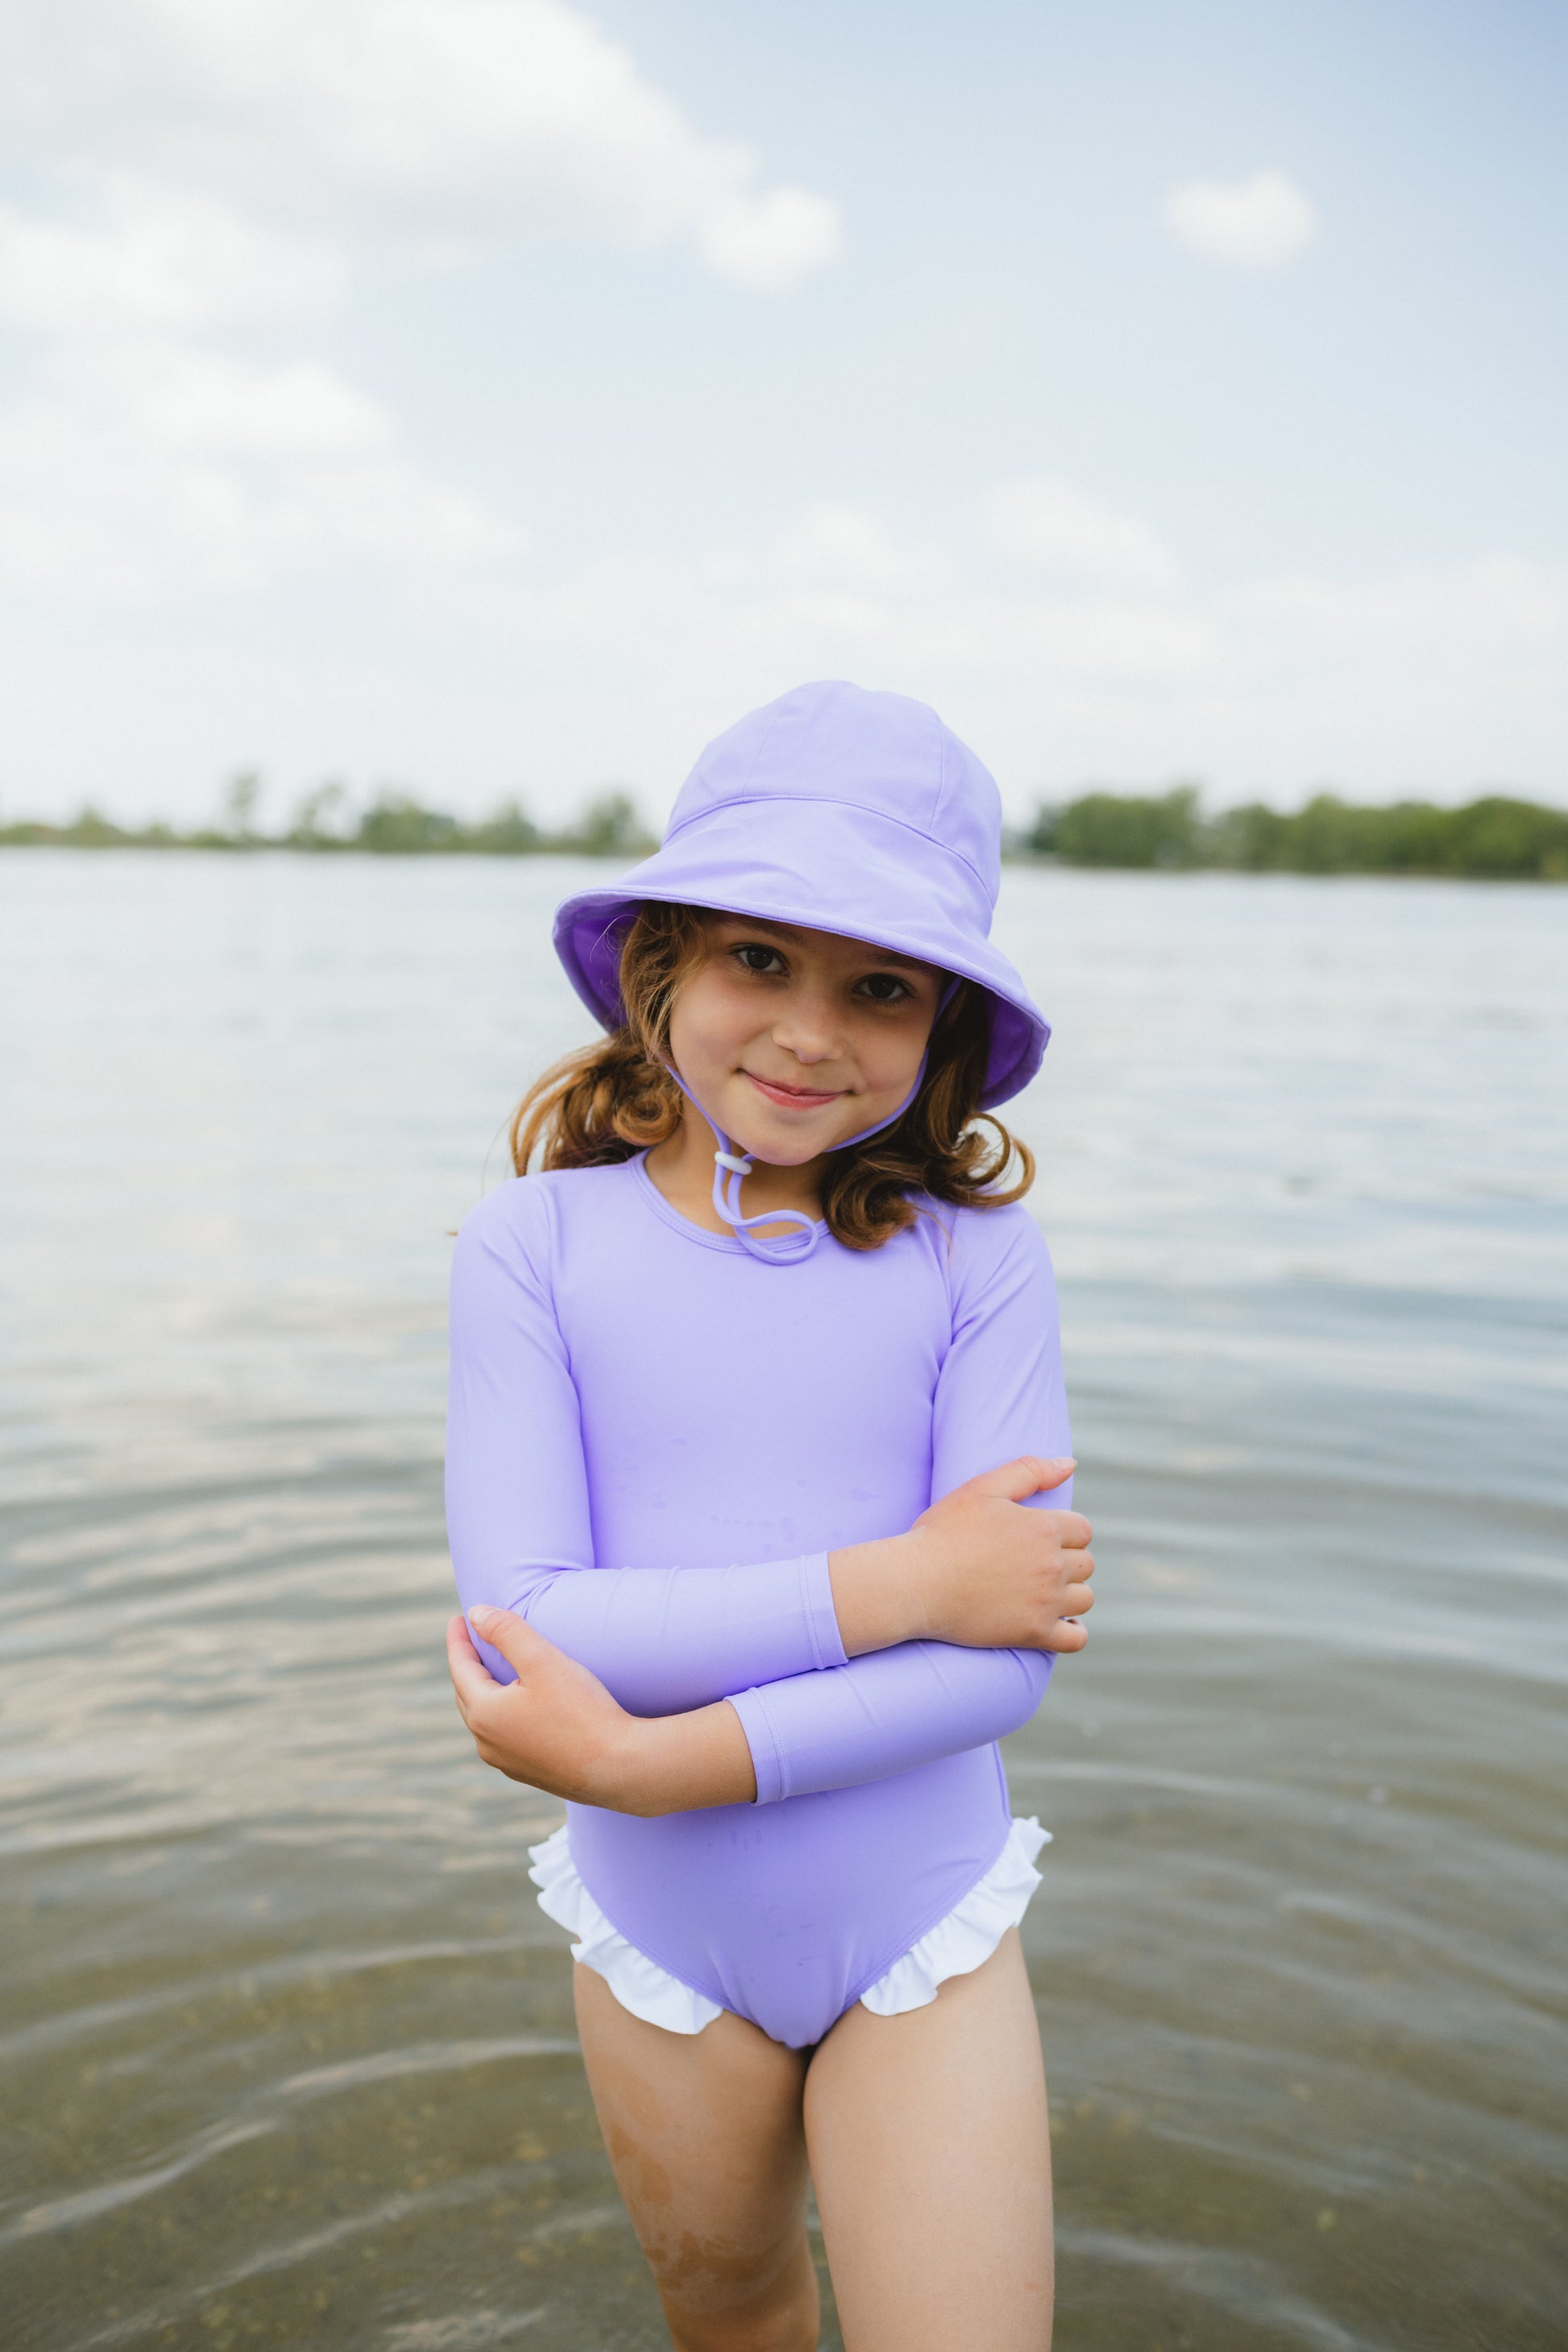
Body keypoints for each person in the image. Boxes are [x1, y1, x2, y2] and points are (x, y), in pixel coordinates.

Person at [444, 679, 1095, 2352]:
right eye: (759, 959)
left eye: (877, 986)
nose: (809, 1028)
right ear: (661, 963)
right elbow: (534, 1623)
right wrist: (908, 1577)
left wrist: (652, 1761)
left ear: (943, 1026)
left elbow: (1001, 1660)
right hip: (659, 1935)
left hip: (918, 1927)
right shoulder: (535, 1244)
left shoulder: (975, 1260)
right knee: (729, 2314)